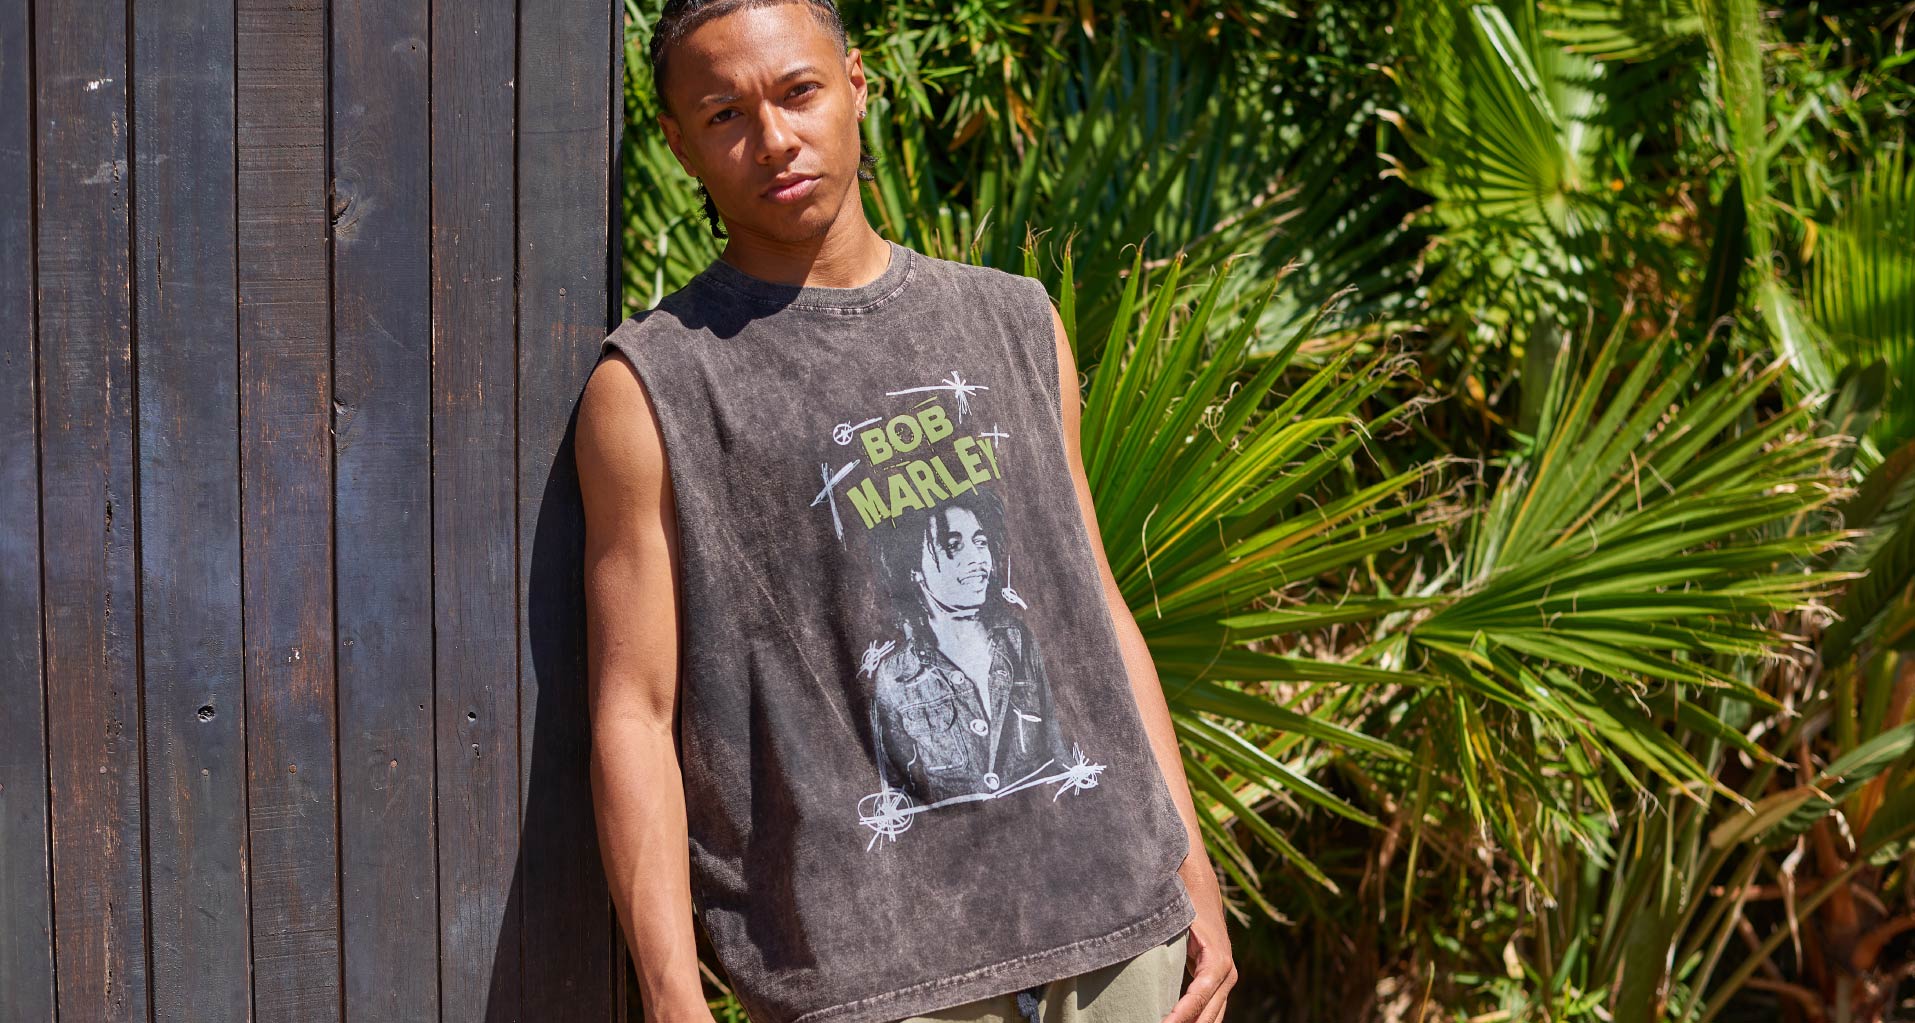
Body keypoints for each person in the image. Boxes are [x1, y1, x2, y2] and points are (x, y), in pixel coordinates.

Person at [574, 2, 1237, 1022]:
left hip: (1114, 928)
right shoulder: (654, 386)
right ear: (678, 142)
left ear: (856, 87)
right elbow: (636, 710)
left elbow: (1093, 614)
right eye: (725, 115)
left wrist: (1187, 869)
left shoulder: (1013, 320)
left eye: (799, 92)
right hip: (871, 972)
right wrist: (671, 996)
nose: (774, 138)